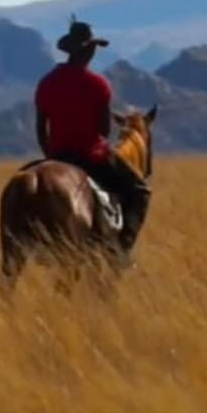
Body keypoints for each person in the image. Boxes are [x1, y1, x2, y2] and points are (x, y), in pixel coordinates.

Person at [34, 18, 146, 251]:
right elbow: (103, 130)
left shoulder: (46, 83)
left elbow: (40, 127)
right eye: (93, 47)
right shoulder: (98, 84)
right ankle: (122, 249)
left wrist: (50, 156)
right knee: (139, 191)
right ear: (88, 50)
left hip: (56, 155)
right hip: (90, 156)